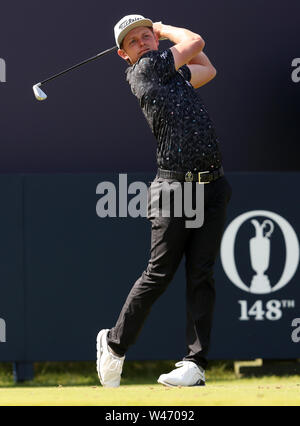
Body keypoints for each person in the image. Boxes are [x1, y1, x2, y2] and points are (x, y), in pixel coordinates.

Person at [96, 14, 232, 388]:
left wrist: (159, 36)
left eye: (145, 36)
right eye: (133, 41)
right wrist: (162, 28)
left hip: (211, 185)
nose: (142, 43)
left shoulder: (172, 76)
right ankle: (113, 345)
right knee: (159, 274)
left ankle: (194, 364)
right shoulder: (143, 71)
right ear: (124, 55)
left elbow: (208, 68)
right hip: (175, 190)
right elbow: (196, 43)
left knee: (201, 274)